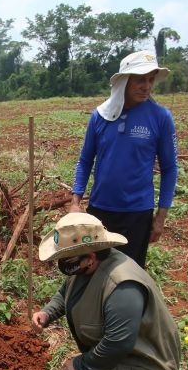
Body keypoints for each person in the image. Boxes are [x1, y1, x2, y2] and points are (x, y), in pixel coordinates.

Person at [31, 212, 181, 370]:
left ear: (90, 256)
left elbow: (118, 343)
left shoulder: (123, 287)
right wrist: (48, 312)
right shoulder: (88, 267)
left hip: (147, 361)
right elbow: (65, 292)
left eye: (67, 259)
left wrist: (82, 366)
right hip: (126, 352)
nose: (62, 264)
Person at [69, 50, 178, 268]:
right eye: (140, 80)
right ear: (124, 81)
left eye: (150, 80)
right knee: (92, 269)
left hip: (137, 214)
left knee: (128, 274)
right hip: (100, 209)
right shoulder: (99, 116)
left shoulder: (160, 118)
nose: (146, 86)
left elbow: (169, 169)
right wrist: (75, 202)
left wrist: (160, 217)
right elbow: (85, 160)